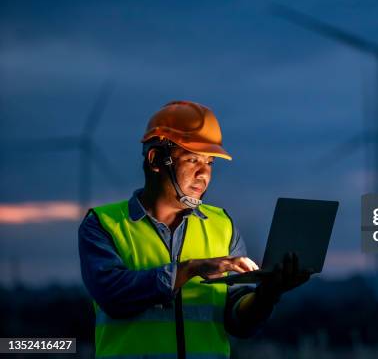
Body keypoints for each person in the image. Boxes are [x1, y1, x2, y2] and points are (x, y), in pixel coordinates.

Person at [78, 100, 310, 358]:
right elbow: (114, 296)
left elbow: (238, 322)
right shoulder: (104, 224)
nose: (204, 174)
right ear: (156, 159)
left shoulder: (222, 225)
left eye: (210, 162)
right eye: (192, 159)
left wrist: (267, 294)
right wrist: (192, 268)